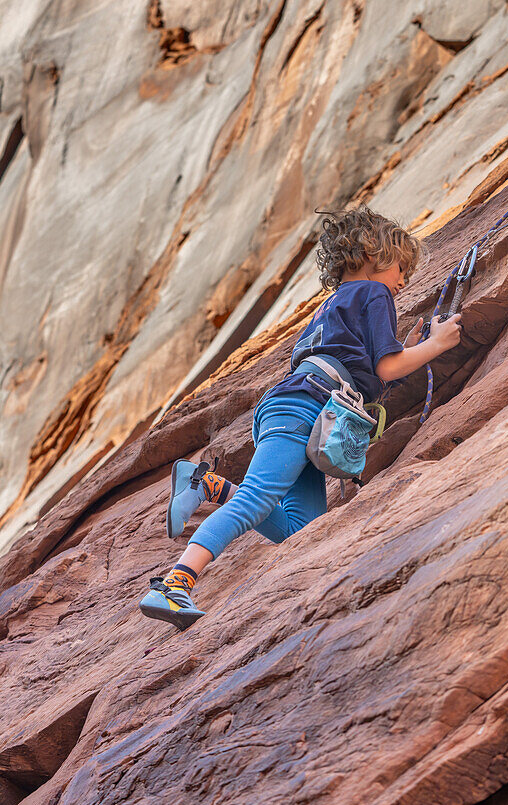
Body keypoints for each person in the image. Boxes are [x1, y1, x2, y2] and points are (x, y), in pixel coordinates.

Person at [139, 206, 462, 631]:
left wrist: (409, 349)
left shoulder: (333, 306)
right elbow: (387, 368)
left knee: (298, 529)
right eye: (401, 267)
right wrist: (436, 345)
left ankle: (208, 484)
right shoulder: (373, 294)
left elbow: (364, 369)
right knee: (256, 499)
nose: (403, 281)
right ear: (372, 254)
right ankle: (173, 585)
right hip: (304, 410)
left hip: (294, 408)